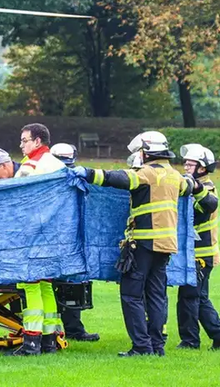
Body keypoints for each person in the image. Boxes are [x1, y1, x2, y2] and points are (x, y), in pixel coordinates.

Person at [73, 131, 203, 357]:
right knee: (156, 295)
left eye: (140, 152)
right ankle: (157, 346)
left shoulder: (148, 174)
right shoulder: (174, 176)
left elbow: (119, 179)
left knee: (132, 295)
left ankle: (142, 347)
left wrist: (88, 173)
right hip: (166, 246)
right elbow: (189, 187)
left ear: (147, 152)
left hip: (142, 244)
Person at [0, 125, 65, 356]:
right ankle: (49, 342)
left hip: (31, 234)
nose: (21, 145)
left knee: (30, 286)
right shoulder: (58, 164)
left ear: (37, 142)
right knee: (47, 286)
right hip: (53, 236)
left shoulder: (30, 166)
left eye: (24, 140)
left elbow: (17, 199)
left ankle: (31, 343)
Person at [177, 144, 220, 350]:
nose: (185, 167)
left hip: (200, 254)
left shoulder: (206, 188)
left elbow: (205, 209)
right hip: (196, 253)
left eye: (190, 164)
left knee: (189, 298)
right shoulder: (190, 186)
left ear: (202, 168)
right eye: (185, 163)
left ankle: (190, 341)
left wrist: (194, 189)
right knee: (198, 298)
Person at [48, 143, 101, 343]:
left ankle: (72, 329)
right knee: (59, 284)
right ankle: (62, 330)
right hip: (57, 240)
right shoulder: (48, 178)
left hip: (69, 239)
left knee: (71, 283)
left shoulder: (73, 177)